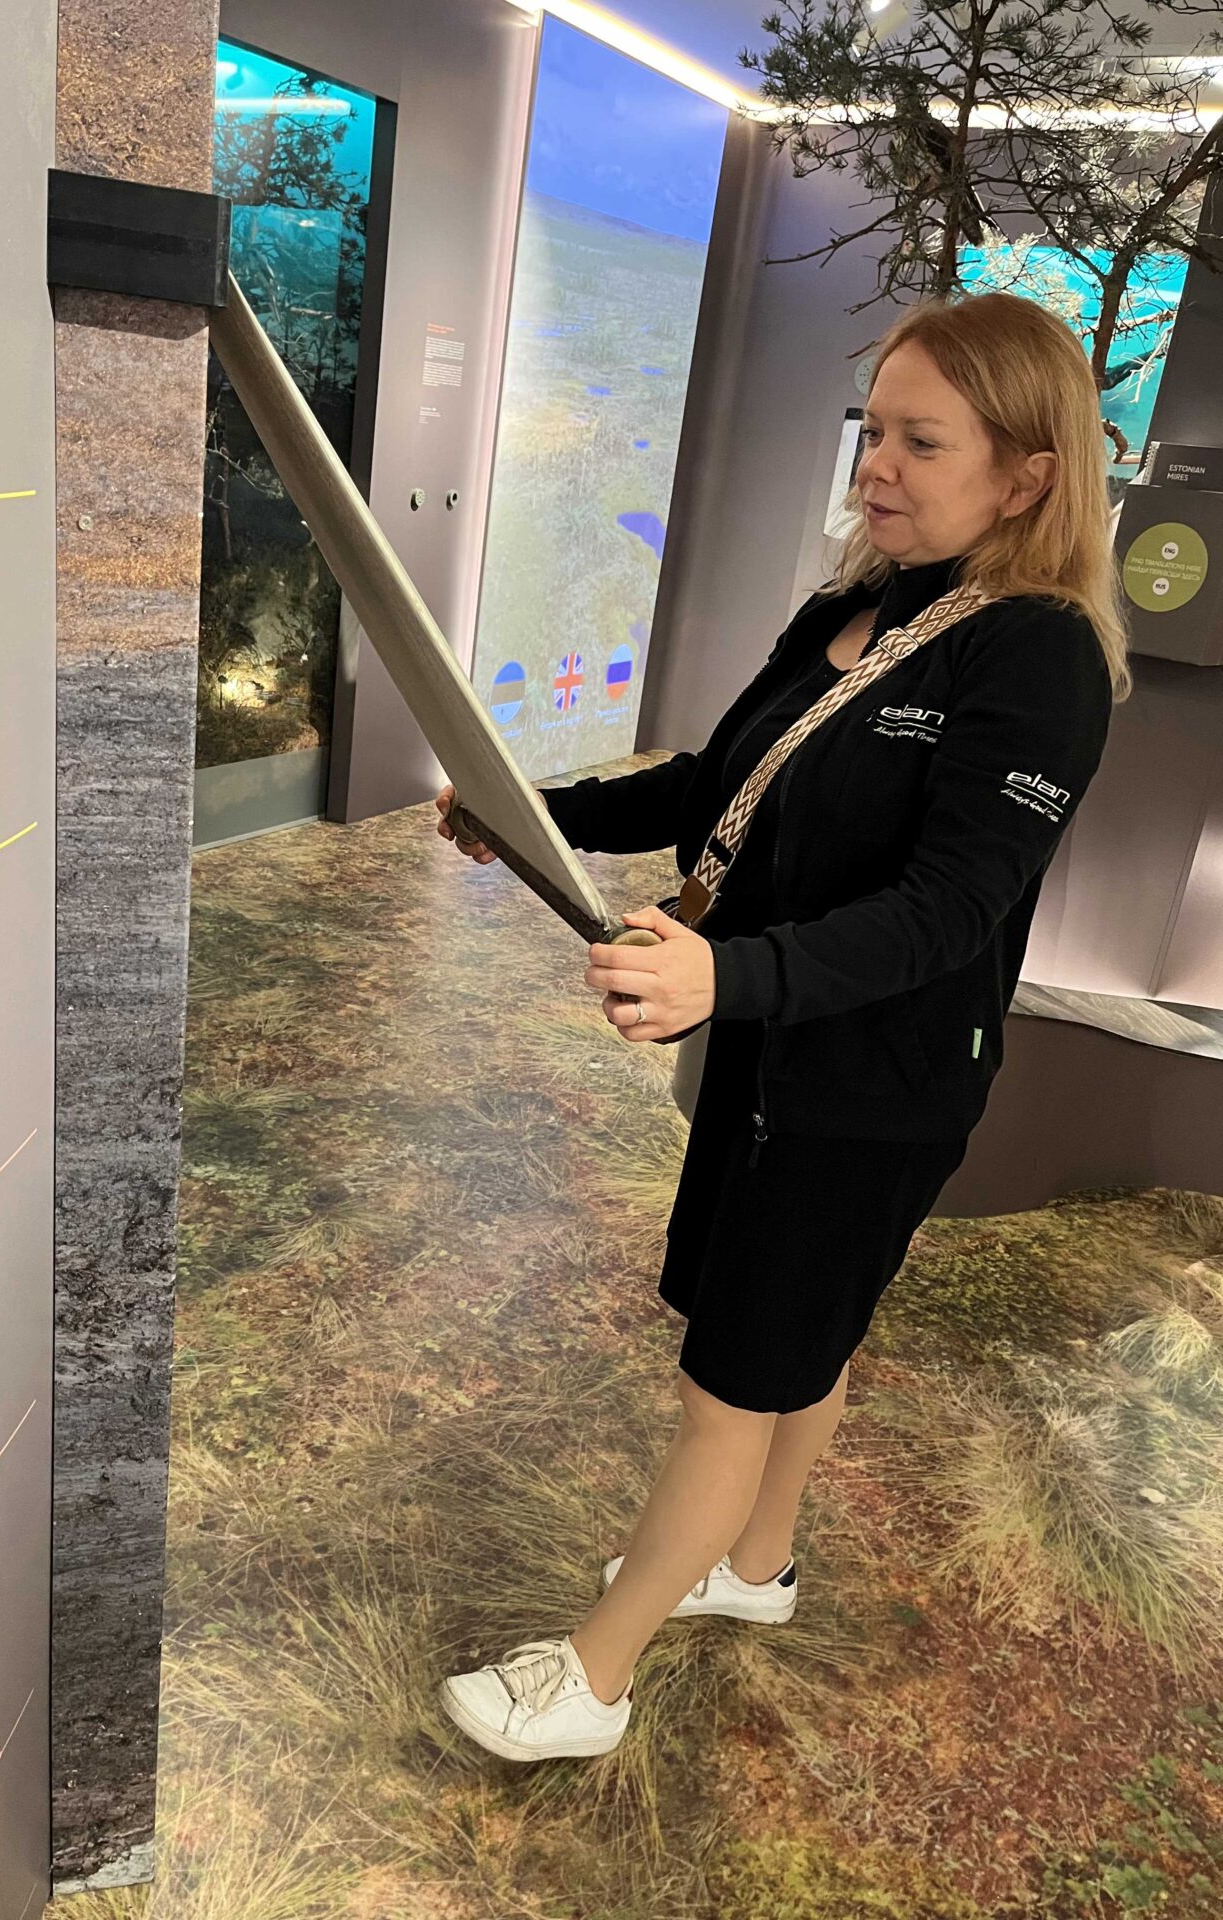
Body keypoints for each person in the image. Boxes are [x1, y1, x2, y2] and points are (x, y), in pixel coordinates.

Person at [431, 290, 1130, 1763]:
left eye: (922, 443)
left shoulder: (1041, 657)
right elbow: (722, 786)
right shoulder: (854, 611)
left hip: (874, 1086)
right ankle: (754, 1565)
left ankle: (594, 1680)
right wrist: (538, 814)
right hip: (768, 1049)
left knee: (733, 1381)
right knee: (800, 1336)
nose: (877, 466)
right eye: (875, 431)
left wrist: (723, 978)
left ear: (1029, 475)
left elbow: (947, 912)